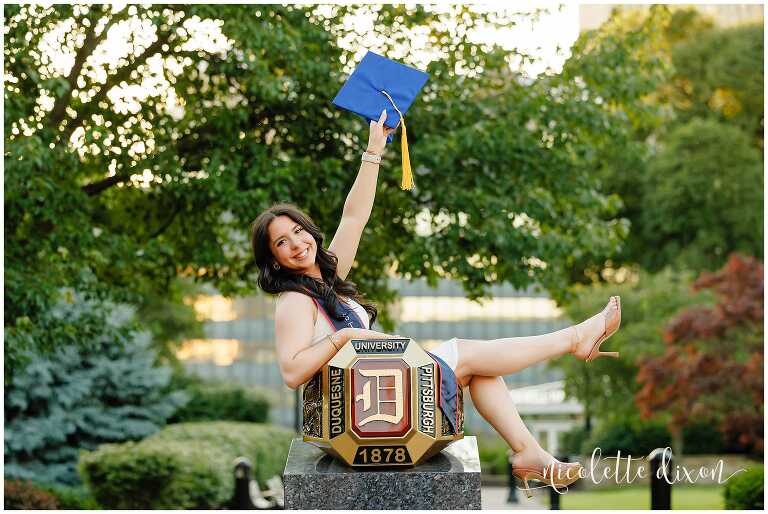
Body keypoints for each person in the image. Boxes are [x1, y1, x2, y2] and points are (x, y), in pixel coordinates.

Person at [250, 110, 621, 495]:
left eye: (298, 231)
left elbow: (355, 216)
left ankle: (529, 452)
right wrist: (344, 340)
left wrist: (373, 150)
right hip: (362, 408)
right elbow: (292, 373)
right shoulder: (294, 298)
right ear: (274, 258)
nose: (296, 244)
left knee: (481, 370)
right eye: (282, 242)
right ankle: (574, 339)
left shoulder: (327, 278)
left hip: (379, 394)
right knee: (466, 353)